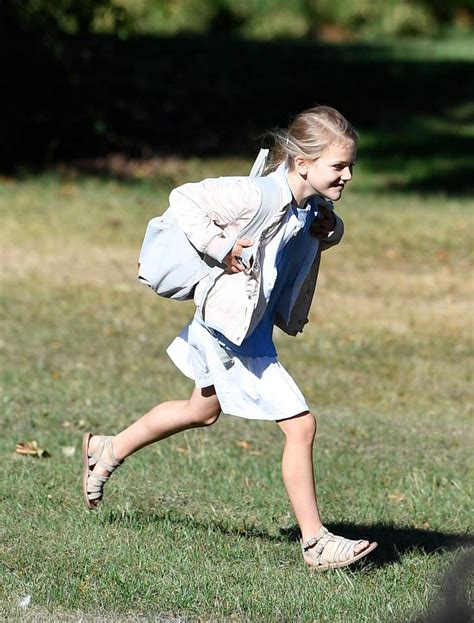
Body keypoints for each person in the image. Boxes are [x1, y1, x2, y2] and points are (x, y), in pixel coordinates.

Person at [82, 105, 378, 570]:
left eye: (350, 166)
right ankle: (316, 542)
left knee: (200, 411)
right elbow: (184, 198)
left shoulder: (313, 205)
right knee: (301, 426)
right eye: (338, 166)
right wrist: (221, 248)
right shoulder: (255, 194)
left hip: (240, 324)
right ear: (303, 164)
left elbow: (307, 237)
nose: (347, 176)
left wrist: (333, 229)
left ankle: (107, 448)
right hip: (231, 333)